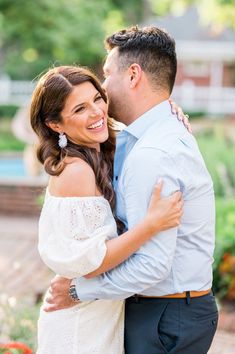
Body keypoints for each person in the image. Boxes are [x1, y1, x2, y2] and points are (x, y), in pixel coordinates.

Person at [47, 26, 218, 354]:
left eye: (107, 74)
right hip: (163, 310)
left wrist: (77, 290)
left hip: (164, 316)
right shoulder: (142, 139)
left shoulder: (154, 153)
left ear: (134, 75)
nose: (103, 86)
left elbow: (153, 265)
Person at [30, 65, 184, 354]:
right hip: (79, 324)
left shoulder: (102, 148)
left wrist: (170, 112)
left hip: (99, 313)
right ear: (55, 124)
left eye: (97, 99)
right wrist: (151, 225)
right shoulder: (75, 171)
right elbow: (96, 261)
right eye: (79, 109)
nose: (97, 112)